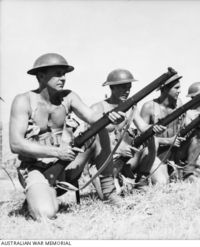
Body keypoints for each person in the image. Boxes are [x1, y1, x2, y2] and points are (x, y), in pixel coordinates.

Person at [9, 53, 125, 221]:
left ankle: (109, 192)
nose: (63, 78)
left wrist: (110, 118)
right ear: (41, 76)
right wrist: (57, 153)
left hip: (68, 166)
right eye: (57, 73)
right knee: (47, 212)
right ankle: (38, 196)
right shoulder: (23, 101)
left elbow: (96, 120)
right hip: (36, 169)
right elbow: (16, 144)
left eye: (64, 74)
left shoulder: (69, 97)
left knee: (100, 129)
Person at [70, 69, 166, 200]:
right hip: (103, 161)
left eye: (129, 87)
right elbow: (92, 142)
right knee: (110, 196)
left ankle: (141, 181)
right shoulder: (97, 108)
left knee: (152, 138)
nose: (127, 91)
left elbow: (143, 127)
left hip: (125, 158)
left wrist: (155, 128)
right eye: (122, 87)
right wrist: (120, 149)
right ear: (112, 87)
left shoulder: (131, 108)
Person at [140, 74, 185, 183]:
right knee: (162, 182)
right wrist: (167, 141)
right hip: (153, 155)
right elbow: (140, 138)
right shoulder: (149, 107)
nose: (179, 91)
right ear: (165, 88)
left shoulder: (179, 104)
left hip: (173, 155)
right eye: (176, 88)